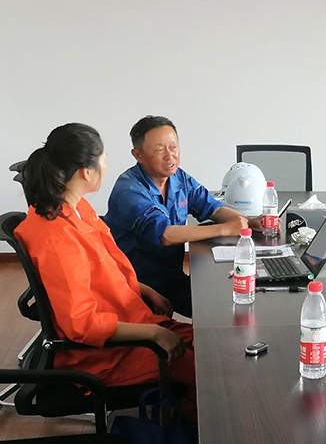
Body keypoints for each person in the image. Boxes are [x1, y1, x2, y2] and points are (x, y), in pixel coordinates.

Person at [14, 123, 196, 415]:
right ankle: (184, 439)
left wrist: (143, 289)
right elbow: (81, 324)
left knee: (213, 346)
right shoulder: (57, 237)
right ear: (86, 172)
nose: (106, 165)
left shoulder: (76, 209)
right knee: (212, 371)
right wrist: (153, 333)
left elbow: (107, 268)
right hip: (105, 355)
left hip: (130, 322)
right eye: (104, 158)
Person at [105, 116, 255, 317]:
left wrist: (248, 222)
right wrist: (225, 229)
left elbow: (212, 208)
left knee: (235, 297)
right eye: (159, 150)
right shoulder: (129, 190)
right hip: (140, 284)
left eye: (173, 147)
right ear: (138, 155)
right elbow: (164, 235)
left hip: (171, 276)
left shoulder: (178, 177)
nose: (170, 156)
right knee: (221, 310)